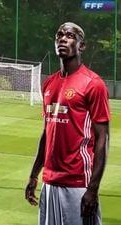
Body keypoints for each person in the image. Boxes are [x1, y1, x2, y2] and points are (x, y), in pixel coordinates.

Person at [25, 22, 110, 225]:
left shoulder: (93, 84)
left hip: (78, 184)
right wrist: (34, 174)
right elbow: (48, 132)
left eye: (70, 36)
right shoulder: (49, 83)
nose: (62, 39)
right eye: (59, 35)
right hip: (50, 183)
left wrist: (93, 188)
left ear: (81, 46)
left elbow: (103, 139)